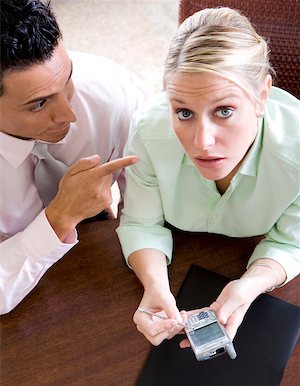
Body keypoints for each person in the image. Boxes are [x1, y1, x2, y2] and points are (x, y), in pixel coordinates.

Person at [116, 7, 300, 347]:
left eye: (224, 111)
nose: (201, 142)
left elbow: (291, 243)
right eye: (183, 112)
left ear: (262, 95)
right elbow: (141, 223)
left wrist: (250, 284)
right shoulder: (149, 131)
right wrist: (155, 286)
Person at [0, 0, 147, 314]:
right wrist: (60, 217)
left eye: (67, 80)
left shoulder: (115, 95)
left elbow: (150, 207)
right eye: (39, 104)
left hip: (102, 264)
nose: (69, 115)